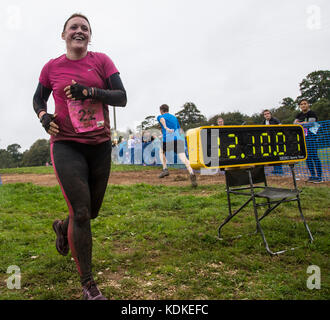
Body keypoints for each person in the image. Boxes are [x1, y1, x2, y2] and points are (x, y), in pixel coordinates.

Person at [32, 13, 127, 300]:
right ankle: (88, 285)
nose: (79, 31)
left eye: (85, 28)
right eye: (73, 27)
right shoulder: (52, 67)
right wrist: (43, 115)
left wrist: (90, 91)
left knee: (90, 212)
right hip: (66, 145)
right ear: (64, 35)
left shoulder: (102, 62)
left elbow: (121, 97)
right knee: (82, 213)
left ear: (89, 36)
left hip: (98, 144)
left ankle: (62, 226)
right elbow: (38, 98)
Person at [157, 104, 197, 187]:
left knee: (161, 151)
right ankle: (191, 173)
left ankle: (165, 169)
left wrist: (165, 127)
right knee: (183, 158)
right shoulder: (175, 118)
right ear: (168, 109)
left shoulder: (160, 116)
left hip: (167, 140)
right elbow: (178, 129)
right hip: (177, 139)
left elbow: (162, 119)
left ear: (161, 110)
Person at [294, 99, 322, 183]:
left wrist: (300, 123)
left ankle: (319, 177)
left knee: (314, 156)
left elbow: (311, 123)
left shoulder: (312, 113)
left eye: (305, 104)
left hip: (312, 138)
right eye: (301, 104)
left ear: (308, 104)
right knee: (307, 157)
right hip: (303, 139)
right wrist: (304, 122)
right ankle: (312, 175)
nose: (303, 105)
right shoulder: (299, 114)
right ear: (299, 106)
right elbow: (294, 124)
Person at [262, 109, 283, 175]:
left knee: (277, 154)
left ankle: (279, 170)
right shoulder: (263, 122)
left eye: (268, 113)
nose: (267, 115)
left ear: (270, 114)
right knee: (272, 155)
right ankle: (275, 170)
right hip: (268, 141)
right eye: (265, 114)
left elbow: (281, 127)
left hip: (276, 140)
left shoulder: (275, 120)